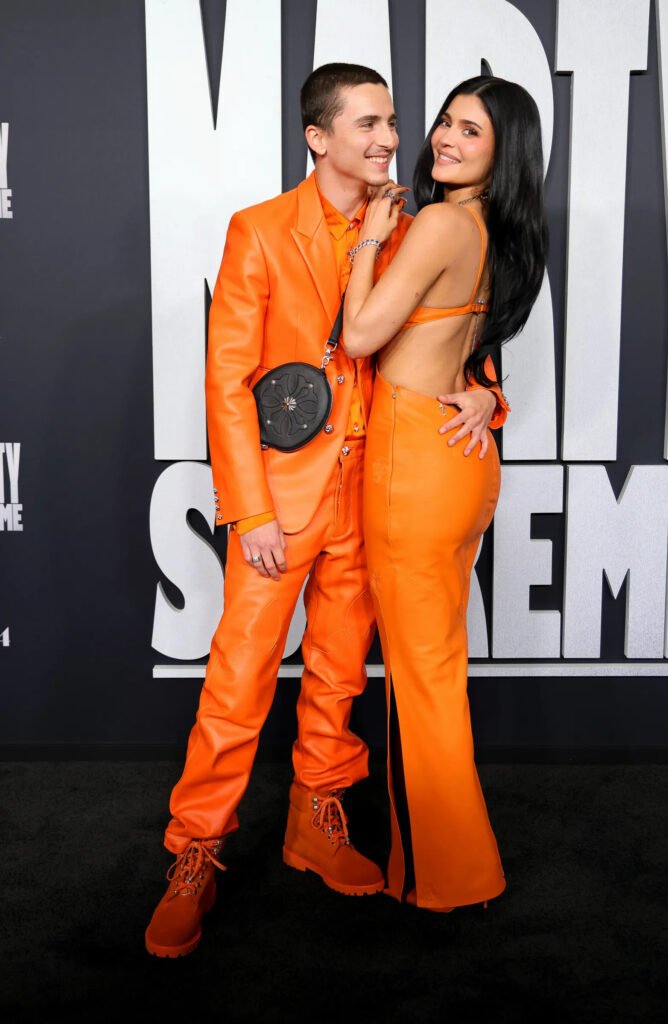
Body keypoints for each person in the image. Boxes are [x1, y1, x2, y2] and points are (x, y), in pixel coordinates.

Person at [145, 64, 506, 958]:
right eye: (370, 124)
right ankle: (195, 853)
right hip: (285, 501)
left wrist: (486, 399)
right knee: (239, 682)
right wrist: (249, 510)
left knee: (340, 674)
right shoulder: (260, 231)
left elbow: (458, 331)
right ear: (319, 137)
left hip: (378, 489)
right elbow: (227, 383)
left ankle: (317, 820)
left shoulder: (421, 226)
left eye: (393, 122)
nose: (391, 139)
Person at [342, 75, 547, 911]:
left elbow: (359, 336)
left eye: (471, 131)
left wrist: (368, 243)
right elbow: (470, 346)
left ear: (501, 158)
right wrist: (486, 395)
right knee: (438, 669)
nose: (443, 139)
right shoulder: (503, 228)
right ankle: (452, 862)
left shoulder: (438, 222)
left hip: (413, 463)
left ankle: (446, 875)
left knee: (419, 679)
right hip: (462, 461)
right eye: (446, 122)